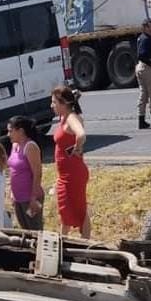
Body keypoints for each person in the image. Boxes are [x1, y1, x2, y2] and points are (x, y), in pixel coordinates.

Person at [51, 86, 91, 239]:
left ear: (63, 103)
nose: (51, 105)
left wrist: (77, 148)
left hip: (73, 174)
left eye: (54, 102)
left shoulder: (71, 118)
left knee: (79, 209)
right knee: (65, 208)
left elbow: (81, 134)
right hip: (65, 174)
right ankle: (63, 239)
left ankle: (85, 242)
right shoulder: (64, 116)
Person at [6, 116, 45, 230]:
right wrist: (12, 193)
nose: (8, 135)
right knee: (24, 229)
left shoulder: (30, 146)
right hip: (18, 198)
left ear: (21, 131)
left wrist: (33, 198)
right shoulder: (14, 145)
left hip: (30, 198)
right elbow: (13, 169)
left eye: (10, 131)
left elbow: (37, 173)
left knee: (35, 230)